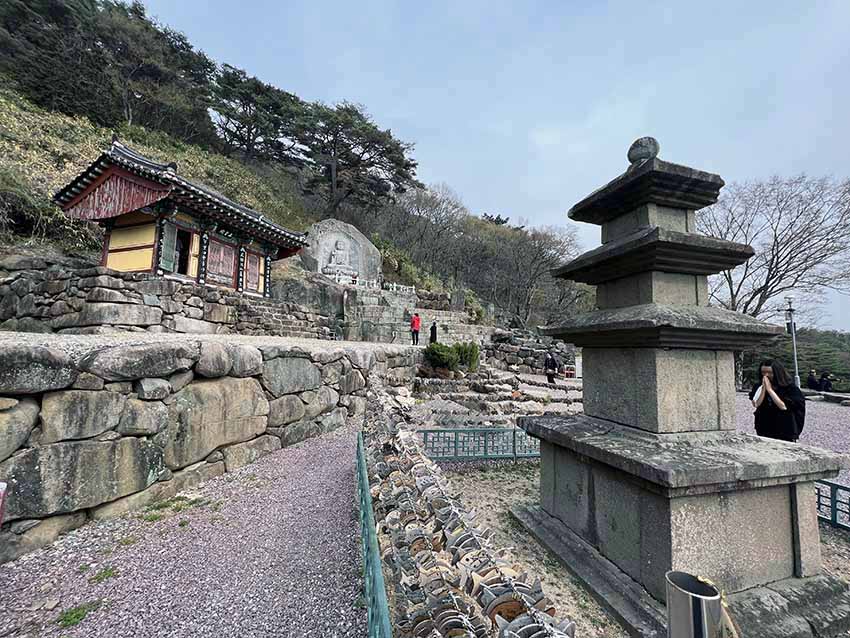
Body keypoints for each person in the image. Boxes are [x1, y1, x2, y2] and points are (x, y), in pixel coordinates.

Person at [749, 359, 806, 442]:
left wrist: (770, 390)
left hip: (784, 427)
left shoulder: (790, 388)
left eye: (769, 372)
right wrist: (764, 389)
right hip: (764, 425)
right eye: (763, 372)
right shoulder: (758, 386)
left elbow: (783, 406)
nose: (766, 375)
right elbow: (756, 404)